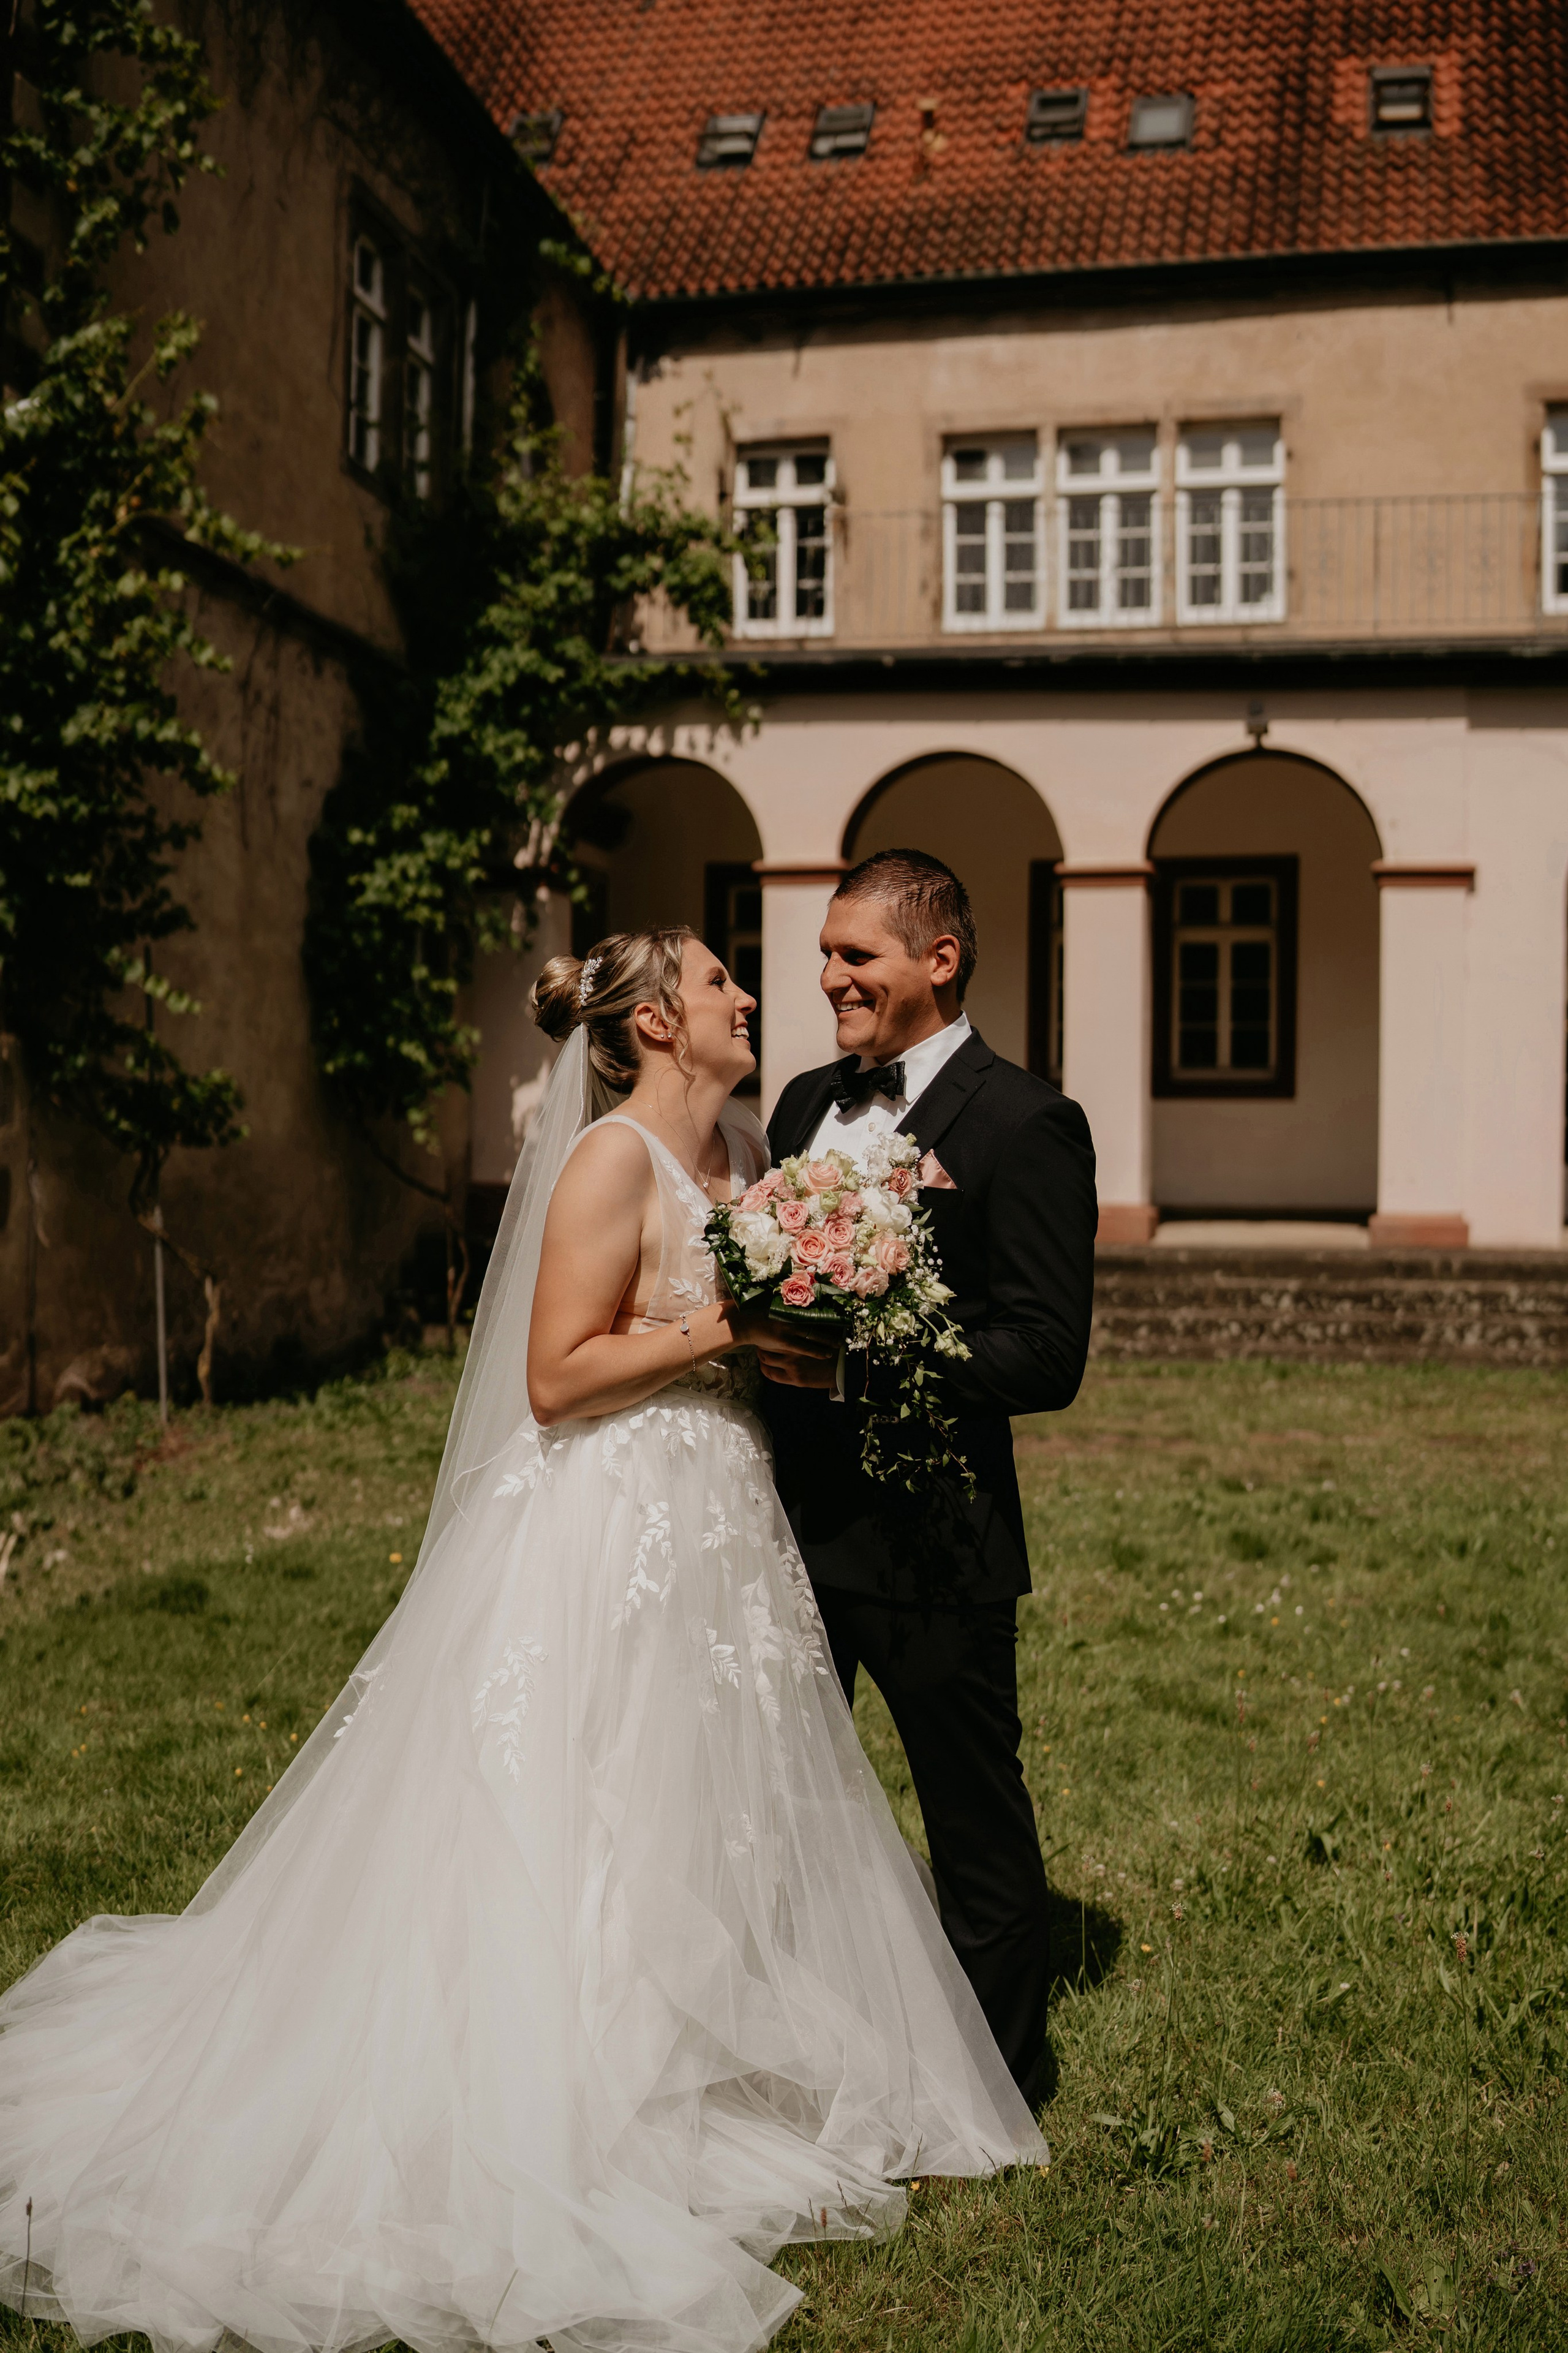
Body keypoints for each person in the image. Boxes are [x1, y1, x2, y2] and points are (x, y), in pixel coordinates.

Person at [0, 924, 1044, 2353]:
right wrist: (729, 1326)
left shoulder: (737, 1148)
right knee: (589, 1795)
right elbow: (557, 1378)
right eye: (722, 978)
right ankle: (574, 2081)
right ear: (660, 1022)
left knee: (697, 1800)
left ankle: (690, 2058)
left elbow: (728, 1324)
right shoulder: (609, 1158)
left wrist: (798, 1331)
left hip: (718, 1518)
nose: (751, 993)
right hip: (612, 1521)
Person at [763, 851, 1098, 2108]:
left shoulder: (1023, 1121)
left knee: (972, 1822)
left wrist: (862, 1347)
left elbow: (1042, 1350)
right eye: (827, 954)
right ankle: (792, 2039)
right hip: (792, 1522)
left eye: (856, 955)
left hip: (933, 1539)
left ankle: (999, 2083)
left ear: (937, 960)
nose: (829, 976)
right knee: (774, 1799)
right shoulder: (800, 1105)